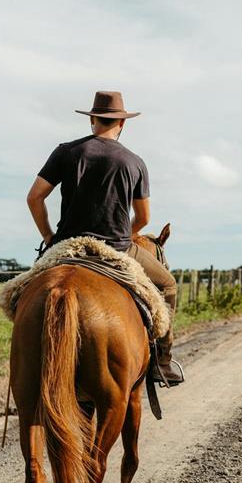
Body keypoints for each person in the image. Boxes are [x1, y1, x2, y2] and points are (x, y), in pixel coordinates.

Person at [25, 90, 184, 386]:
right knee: (168, 285)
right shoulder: (135, 162)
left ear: (92, 120)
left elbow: (34, 198)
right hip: (117, 248)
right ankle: (162, 361)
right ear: (122, 124)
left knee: (17, 295)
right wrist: (127, 233)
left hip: (66, 245)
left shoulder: (65, 152)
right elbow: (145, 218)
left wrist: (49, 236)